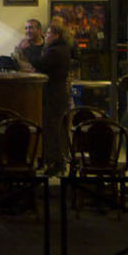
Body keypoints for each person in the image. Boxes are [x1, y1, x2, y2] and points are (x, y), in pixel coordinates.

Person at [31, 22, 75, 174]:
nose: (46, 36)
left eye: (48, 33)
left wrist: (28, 49)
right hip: (58, 93)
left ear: (56, 35)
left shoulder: (55, 51)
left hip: (53, 94)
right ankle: (56, 161)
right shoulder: (61, 49)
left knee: (53, 129)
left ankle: (55, 163)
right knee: (57, 128)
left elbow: (40, 64)